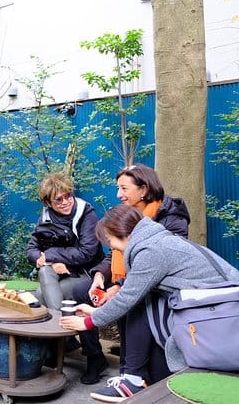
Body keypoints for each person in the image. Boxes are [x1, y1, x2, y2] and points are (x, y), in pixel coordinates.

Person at [60, 205, 239, 402]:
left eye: (110, 241)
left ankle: (133, 379)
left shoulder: (151, 251)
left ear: (119, 232)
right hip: (213, 307)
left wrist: (89, 322)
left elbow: (127, 297)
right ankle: (133, 378)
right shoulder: (157, 240)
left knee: (139, 302)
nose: (112, 248)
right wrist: (95, 310)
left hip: (221, 315)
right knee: (145, 299)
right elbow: (133, 290)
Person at [72, 164, 191, 385]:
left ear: (144, 189)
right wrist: (100, 275)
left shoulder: (170, 216)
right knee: (81, 290)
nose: (119, 194)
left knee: (134, 302)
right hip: (130, 278)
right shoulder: (129, 214)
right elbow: (115, 251)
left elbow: (156, 265)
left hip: (160, 285)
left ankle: (131, 372)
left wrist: (118, 286)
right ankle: (96, 358)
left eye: (124, 188)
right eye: (118, 188)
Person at [25, 172, 106, 382]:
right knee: (41, 282)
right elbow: (32, 248)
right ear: (48, 202)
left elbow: (88, 251)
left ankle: (91, 355)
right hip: (63, 275)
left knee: (44, 294)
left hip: (90, 274)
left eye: (67, 195)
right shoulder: (46, 218)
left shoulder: (85, 212)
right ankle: (63, 340)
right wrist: (41, 260)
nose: (65, 202)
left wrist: (52, 256)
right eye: (58, 199)